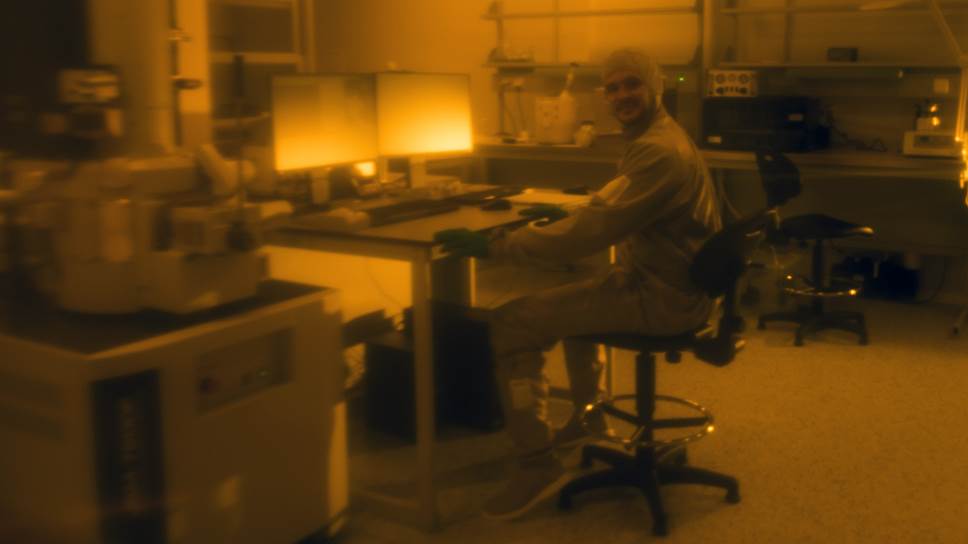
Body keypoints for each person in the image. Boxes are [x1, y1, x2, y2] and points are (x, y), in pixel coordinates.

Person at [435, 47, 723, 521]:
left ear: (655, 86)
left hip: (661, 297)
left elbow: (589, 235)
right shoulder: (659, 135)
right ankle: (590, 417)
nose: (621, 95)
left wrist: (498, 246)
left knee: (512, 322)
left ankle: (536, 463)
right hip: (674, 286)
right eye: (612, 87)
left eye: (632, 84)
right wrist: (571, 212)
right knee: (582, 290)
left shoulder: (657, 150)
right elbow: (617, 203)